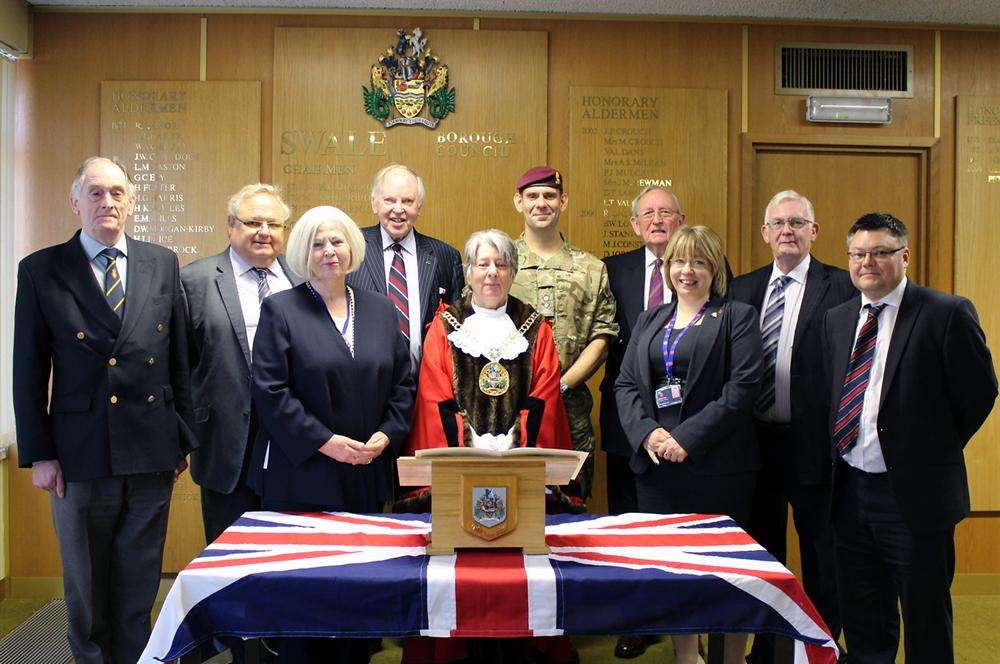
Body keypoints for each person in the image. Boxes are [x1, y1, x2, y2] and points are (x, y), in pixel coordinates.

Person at [13, 156, 196, 664]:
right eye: (95, 192)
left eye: (117, 192)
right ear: (75, 202)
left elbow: (178, 358)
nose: (107, 201)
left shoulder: (162, 261)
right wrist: (40, 454)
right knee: (86, 584)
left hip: (150, 450)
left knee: (139, 581)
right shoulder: (42, 269)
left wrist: (180, 438)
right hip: (78, 453)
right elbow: (28, 371)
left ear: (132, 202)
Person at [822, 212, 996, 664]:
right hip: (851, 493)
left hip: (915, 498)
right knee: (864, 616)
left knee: (925, 617)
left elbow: (979, 394)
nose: (868, 263)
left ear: (905, 255)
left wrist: (928, 449)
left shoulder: (945, 312)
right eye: (858, 254)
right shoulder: (838, 319)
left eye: (881, 252)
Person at [248, 205, 415, 663]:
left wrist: (387, 435)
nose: (329, 251)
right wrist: (325, 442)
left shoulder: (380, 309)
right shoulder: (281, 309)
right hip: (304, 476)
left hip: (365, 471)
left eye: (337, 241)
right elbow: (270, 391)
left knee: (358, 593)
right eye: (318, 243)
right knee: (307, 597)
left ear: (352, 248)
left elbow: (404, 382)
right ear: (304, 251)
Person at [400, 228, 571, 664]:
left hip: (522, 469)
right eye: (482, 264)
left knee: (519, 572)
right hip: (460, 473)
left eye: (501, 264)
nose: (491, 273)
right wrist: (473, 451)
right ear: (468, 271)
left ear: (513, 271)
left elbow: (546, 394)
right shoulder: (444, 325)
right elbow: (435, 395)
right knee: (460, 573)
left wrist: (511, 448)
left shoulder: (535, 326)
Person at [615, 225, 762, 664]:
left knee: (724, 572)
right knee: (674, 570)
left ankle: (730, 658)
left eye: (699, 261)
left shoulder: (738, 315)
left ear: (714, 268)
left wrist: (687, 438)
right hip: (659, 469)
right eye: (678, 261)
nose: (687, 270)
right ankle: (687, 655)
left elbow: (743, 388)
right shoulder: (650, 318)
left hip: (718, 469)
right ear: (667, 267)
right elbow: (624, 385)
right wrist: (646, 434)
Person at [730, 190, 854, 664]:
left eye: (798, 222)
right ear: (764, 233)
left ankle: (819, 642)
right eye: (778, 223)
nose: (787, 230)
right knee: (762, 551)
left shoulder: (842, 287)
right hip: (754, 446)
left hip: (815, 447)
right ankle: (767, 643)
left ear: (814, 231)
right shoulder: (742, 289)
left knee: (823, 552)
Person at [180, 183, 301, 663]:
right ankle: (241, 655)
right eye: (252, 222)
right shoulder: (193, 280)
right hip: (224, 446)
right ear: (231, 227)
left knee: (288, 564)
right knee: (232, 565)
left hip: (293, 451)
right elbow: (179, 368)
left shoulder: (305, 279)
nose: (263, 232)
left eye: (273, 224)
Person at [600, 185, 687, 660]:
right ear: (635, 225)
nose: (657, 220)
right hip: (626, 419)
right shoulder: (612, 271)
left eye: (666, 212)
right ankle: (634, 619)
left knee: (676, 524)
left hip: (686, 423)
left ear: (680, 220)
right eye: (648, 214)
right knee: (627, 524)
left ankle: (680, 614)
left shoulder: (704, 267)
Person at [510, 166, 618, 502]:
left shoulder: (591, 269)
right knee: (510, 504)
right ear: (518, 202)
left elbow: (602, 338)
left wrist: (561, 385)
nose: (541, 203)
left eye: (549, 195)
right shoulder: (498, 262)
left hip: (570, 412)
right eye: (532, 196)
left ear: (563, 201)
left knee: (569, 507)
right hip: (509, 413)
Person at [347, 163, 465, 373]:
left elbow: (456, 330)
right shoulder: (350, 248)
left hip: (426, 387)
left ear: (419, 207)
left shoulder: (445, 256)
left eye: (408, 201)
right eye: (390, 200)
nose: (398, 209)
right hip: (365, 386)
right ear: (374, 204)